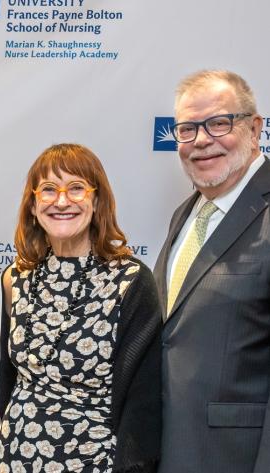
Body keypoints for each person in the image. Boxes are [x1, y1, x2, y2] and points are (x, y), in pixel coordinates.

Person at [0, 144, 161, 473]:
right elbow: (5, 380)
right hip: (13, 459)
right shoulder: (15, 278)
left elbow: (144, 400)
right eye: (48, 190)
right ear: (32, 205)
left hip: (92, 462)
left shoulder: (129, 280)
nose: (61, 201)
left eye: (76, 188)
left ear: (97, 200)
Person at [154, 70, 270, 473]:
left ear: (255, 128)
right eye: (187, 129)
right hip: (170, 447)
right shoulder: (184, 214)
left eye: (220, 123)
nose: (201, 140)